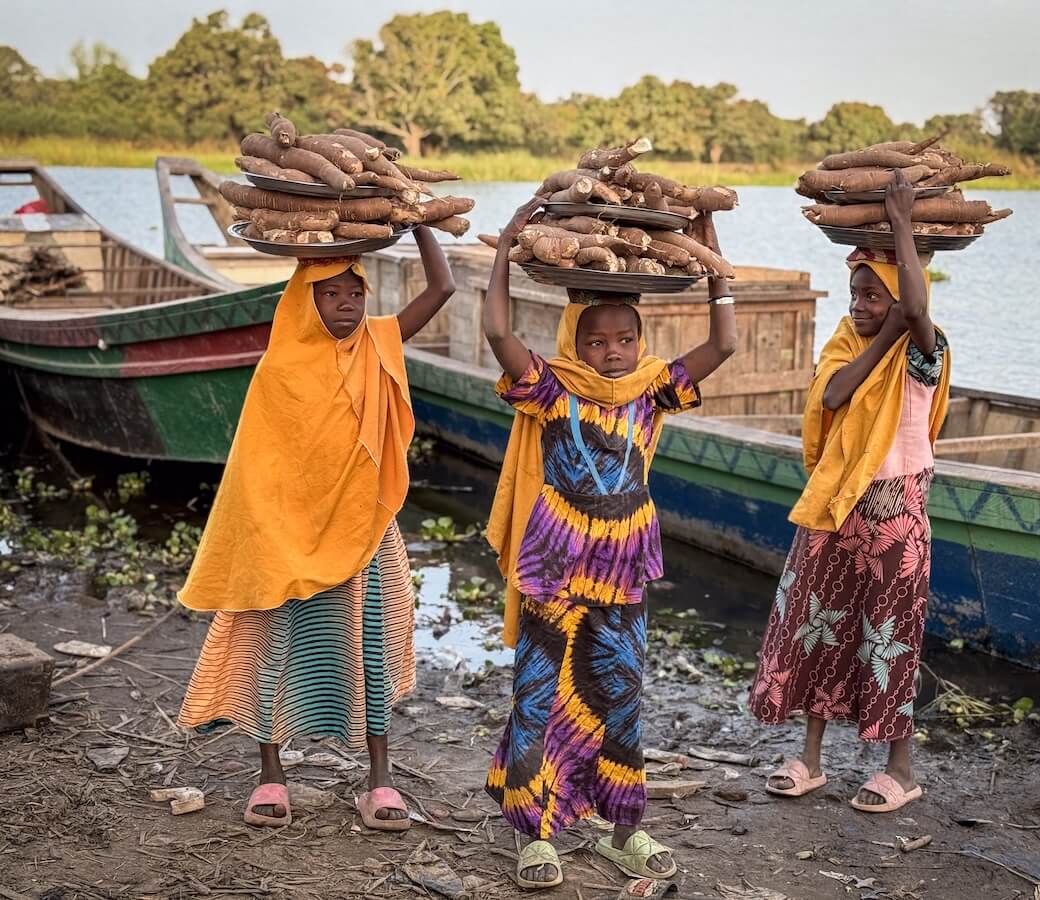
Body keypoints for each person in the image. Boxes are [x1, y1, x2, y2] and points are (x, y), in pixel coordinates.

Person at [482, 199, 737, 889]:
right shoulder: (551, 389)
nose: (613, 350)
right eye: (597, 341)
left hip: (624, 574)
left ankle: (625, 827)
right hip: (556, 571)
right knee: (539, 697)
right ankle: (533, 834)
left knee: (620, 694)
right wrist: (506, 249)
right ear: (574, 343)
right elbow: (498, 331)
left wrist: (715, 267)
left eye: (625, 338)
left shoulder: (652, 395)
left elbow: (724, 347)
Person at [176, 226, 455, 831]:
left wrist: (418, 223)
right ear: (306, 301)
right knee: (272, 653)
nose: (349, 302)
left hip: (363, 531)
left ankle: (379, 781)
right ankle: (270, 776)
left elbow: (443, 286)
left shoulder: (378, 343)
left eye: (356, 290)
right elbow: (260, 470)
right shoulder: (279, 370)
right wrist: (267, 541)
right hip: (285, 541)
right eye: (330, 294)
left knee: (370, 648)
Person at [749, 171, 951, 814]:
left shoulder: (925, 353)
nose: (858, 305)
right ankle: (810, 758)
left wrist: (901, 228)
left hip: (894, 520)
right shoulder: (847, 347)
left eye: (871, 295)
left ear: (897, 299)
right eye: (854, 293)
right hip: (835, 511)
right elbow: (835, 397)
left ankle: (900, 769)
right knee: (818, 630)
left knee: (890, 637)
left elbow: (916, 312)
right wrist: (883, 328)